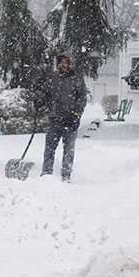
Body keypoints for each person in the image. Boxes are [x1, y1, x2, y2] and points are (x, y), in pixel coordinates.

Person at [41, 51, 87, 182]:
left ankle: (66, 176)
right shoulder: (53, 77)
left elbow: (82, 99)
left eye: (66, 62)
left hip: (70, 121)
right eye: (61, 62)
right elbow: (46, 94)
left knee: (68, 150)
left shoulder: (77, 78)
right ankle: (46, 175)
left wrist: (76, 115)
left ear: (70, 64)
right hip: (55, 119)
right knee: (49, 149)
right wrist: (40, 100)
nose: (64, 64)